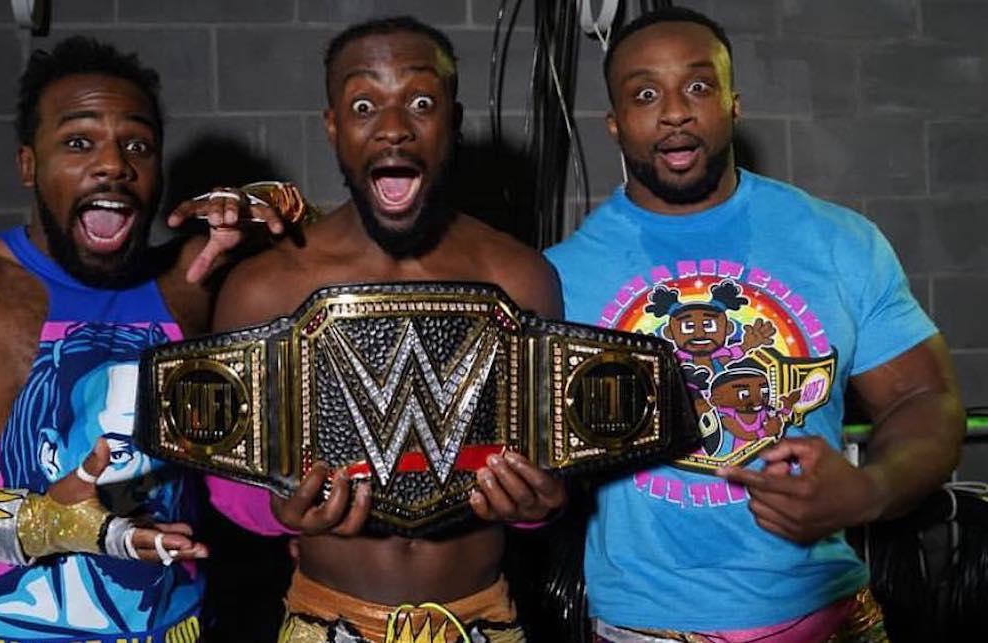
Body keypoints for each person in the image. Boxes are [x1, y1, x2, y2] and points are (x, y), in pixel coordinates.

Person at [0, 36, 292, 642]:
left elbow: (348, 251)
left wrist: (277, 208)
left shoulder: (193, 283)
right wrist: (35, 522)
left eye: (137, 145)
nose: (114, 163)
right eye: (78, 141)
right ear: (28, 165)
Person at [545, 7, 966, 641]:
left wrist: (870, 490)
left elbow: (924, 398)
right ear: (613, 125)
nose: (675, 111)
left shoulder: (838, 241)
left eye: (698, 86)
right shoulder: (559, 278)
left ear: (733, 105)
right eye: (644, 94)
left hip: (829, 616)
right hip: (645, 627)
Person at [205, 16, 567, 643]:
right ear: (333, 127)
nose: (394, 127)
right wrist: (276, 510)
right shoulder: (264, 286)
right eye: (365, 104)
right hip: (326, 619)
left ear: (452, 123)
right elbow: (221, 482)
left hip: (484, 619)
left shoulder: (521, 277)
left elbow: (552, 460)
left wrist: (540, 503)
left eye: (420, 102)